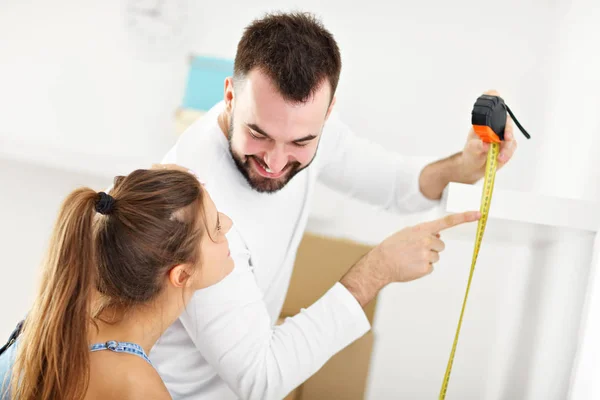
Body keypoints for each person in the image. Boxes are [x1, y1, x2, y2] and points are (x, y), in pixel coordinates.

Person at [150, 11, 517, 400]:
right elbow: (260, 377)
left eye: (300, 143)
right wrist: (375, 272)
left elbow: (394, 182)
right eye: (259, 134)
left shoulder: (312, 128)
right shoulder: (189, 200)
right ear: (229, 97)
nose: (275, 163)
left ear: (327, 114)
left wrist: (462, 166)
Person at [0, 167, 233, 400]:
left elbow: (119, 213)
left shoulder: (63, 314)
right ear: (182, 275)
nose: (229, 223)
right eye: (217, 228)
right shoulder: (136, 389)